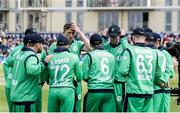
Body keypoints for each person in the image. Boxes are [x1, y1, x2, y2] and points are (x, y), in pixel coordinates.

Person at [117, 27, 164, 112]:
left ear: (133, 37)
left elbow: (122, 71)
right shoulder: (153, 52)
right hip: (149, 92)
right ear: (145, 38)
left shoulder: (129, 50)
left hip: (134, 92)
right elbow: (159, 74)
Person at [49, 23, 91, 112]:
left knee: (76, 108)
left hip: (76, 83)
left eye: (73, 33)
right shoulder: (54, 45)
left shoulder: (77, 44)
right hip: (59, 83)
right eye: (69, 33)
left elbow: (90, 48)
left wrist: (80, 32)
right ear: (63, 32)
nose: (71, 35)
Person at [6, 33, 52, 112]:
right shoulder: (31, 55)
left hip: (16, 95)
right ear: (37, 44)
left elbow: (9, 62)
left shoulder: (19, 54)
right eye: (41, 44)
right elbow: (32, 70)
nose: (42, 46)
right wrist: (45, 62)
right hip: (25, 98)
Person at [3, 27, 38, 112]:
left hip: (29, 86)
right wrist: (9, 78)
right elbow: (6, 63)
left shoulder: (35, 48)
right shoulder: (18, 49)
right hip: (17, 86)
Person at [47, 34, 82, 112]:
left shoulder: (50, 58)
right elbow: (79, 77)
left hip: (53, 90)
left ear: (56, 45)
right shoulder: (74, 57)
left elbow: (45, 77)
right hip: (67, 89)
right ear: (68, 45)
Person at [82, 34, 116, 112]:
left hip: (94, 91)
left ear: (90, 44)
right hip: (109, 91)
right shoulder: (111, 56)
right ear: (102, 42)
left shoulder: (89, 56)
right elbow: (114, 74)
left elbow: (85, 76)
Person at [103, 25, 129, 112]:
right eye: (110, 36)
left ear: (119, 35)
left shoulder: (123, 47)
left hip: (119, 83)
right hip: (107, 83)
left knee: (119, 108)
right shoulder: (105, 47)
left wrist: (123, 37)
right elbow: (96, 49)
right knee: (107, 108)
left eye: (114, 36)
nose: (112, 38)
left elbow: (129, 51)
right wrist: (103, 37)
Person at [154, 33, 175, 112]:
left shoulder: (165, 53)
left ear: (158, 42)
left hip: (164, 90)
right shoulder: (152, 52)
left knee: (165, 111)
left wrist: (162, 81)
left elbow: (171, 72)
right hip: (154, 90)